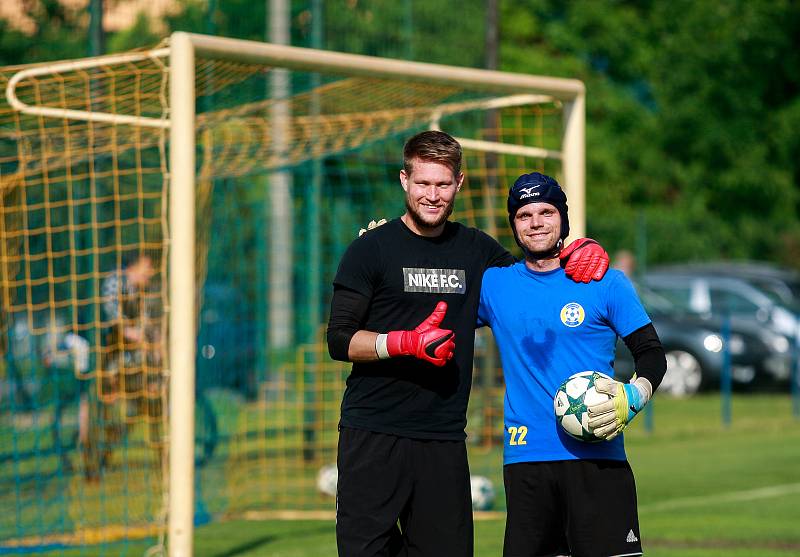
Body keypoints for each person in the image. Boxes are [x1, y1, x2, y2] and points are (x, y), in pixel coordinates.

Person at [326, 130, 610, 557]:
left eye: (443, 185)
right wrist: (403, 343)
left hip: (443, 441)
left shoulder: (477, 251)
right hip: (373, 435)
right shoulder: (371, 249)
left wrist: (578, 249)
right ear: (405, 180)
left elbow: (534, 279)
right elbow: (340, 338)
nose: (432, 195)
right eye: (423, 183)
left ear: (459, 183)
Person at [477, 172, 667, 557]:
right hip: (527, 462)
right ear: (513, 223)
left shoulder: (604, 282)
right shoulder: (494, 286)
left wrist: (634, 394)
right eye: (524, 214)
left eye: (546, 211)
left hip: (599, 459)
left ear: (563, 217)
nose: (536, 223)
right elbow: (431, 300)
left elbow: (652, 354)